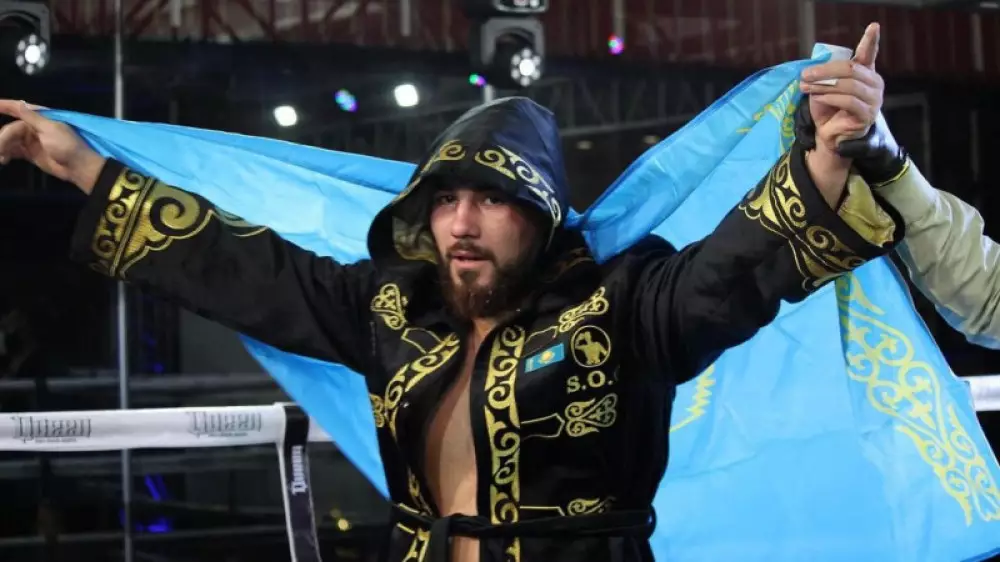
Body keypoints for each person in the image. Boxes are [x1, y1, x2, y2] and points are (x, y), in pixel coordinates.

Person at [0, 25, 897, 562]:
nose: (463, 224)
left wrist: (827, 158)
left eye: (493, 201)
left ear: (540, 216)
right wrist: (84, 169)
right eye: (446, 201)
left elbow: (731, 272)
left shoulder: (622, 306)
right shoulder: (392, 309)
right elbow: (245, 269)